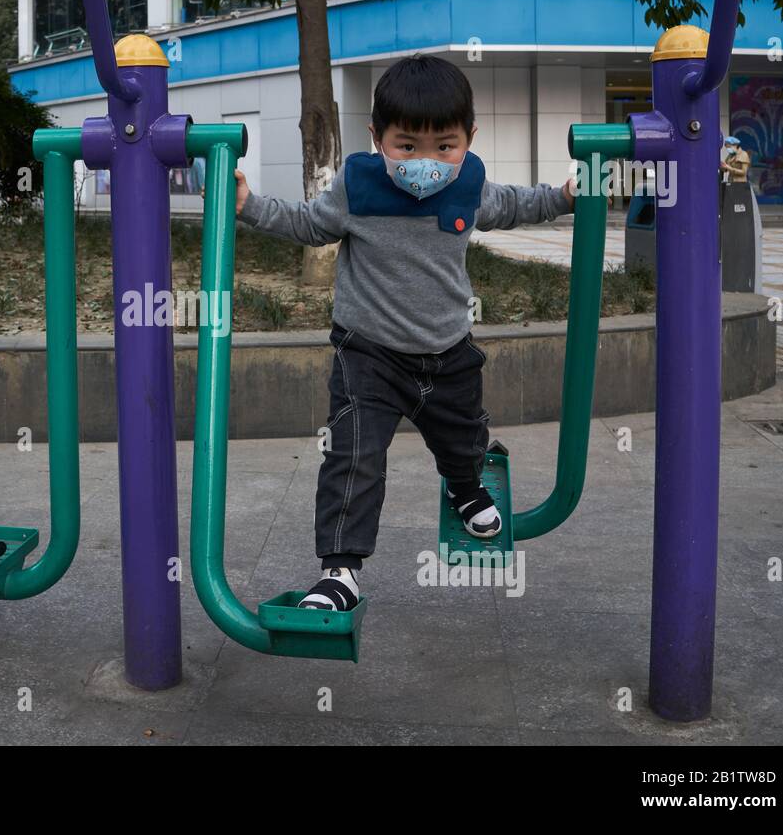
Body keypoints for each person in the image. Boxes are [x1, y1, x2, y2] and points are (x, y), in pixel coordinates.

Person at [225, 55, 575, 611]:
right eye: (406, 145)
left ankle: (465, 488)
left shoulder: (469, 182)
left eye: (445, 145)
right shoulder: (357, 185)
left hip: (447, 349)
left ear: (469, 139)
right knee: (354, 455)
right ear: (376, 137)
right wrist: (249, 206)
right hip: (368, 354)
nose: (427, 161)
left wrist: (561, 197)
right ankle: (340, 571)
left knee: (462, 442)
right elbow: (309, 222)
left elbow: (510, 206)